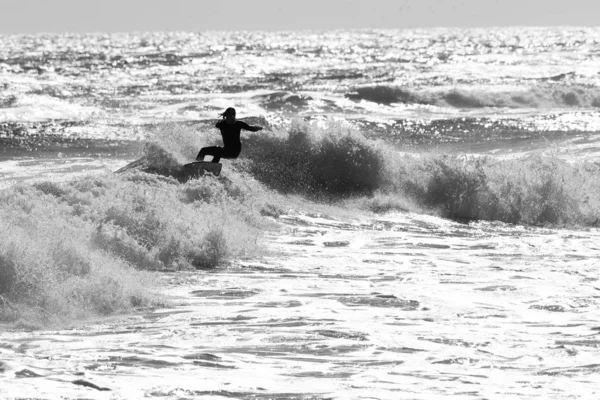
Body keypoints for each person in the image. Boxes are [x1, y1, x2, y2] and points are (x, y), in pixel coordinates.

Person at [196, 107, 263, 163]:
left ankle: (212, 167)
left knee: (218, 151)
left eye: (232, 115)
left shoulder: (238, 124)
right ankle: (197, 165)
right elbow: (217, 125)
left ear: (234, 116)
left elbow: (251, 128)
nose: (230, 117)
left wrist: (258, 128)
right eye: (229, 115)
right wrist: (223, 120)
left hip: (235, 152)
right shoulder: (222, 124)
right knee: (203, 150)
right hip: (226, 150)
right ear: (226, 115)